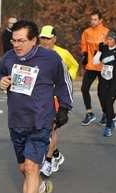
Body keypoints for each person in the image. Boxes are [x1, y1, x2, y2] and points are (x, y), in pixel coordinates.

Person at [0, 20, 73, 193]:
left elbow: (65, 83)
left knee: (31, 167)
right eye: (14, 40)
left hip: (41, 121)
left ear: (34, 40)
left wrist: (64, 108)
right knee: (23, 169)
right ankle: (42, 188)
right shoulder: (9, 57)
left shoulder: (50, 58)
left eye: (21, 41)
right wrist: (1, 82)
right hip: (17, 120)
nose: (16, 45)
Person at [39, 25, 78, 176]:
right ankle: (56, 155)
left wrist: (67, 78)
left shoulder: (62, 53)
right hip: (40, 96)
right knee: (40, 129)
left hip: (55, 96)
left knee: (50, 128)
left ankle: (48, 161)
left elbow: (74, 65)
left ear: (54, 38)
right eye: (43, 38)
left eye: (48, 38)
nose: (45, 41)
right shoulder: (36, 51)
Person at [93, 29, 116, 137]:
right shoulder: (104, 49)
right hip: (104, 78)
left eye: (111, 39)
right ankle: (112, 115)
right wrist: (99, 51)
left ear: (115, 40)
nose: (108, 41)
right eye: (107, 39)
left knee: (108, 102)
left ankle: (108, 127)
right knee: (102, 98)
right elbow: (95, 62)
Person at [80, 10, 109, 125]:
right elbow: (84, 45)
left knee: (101, 93)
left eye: (95, 19)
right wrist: (85, 54)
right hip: (91, 65)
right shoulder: (86, 32)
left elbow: (111, 47)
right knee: (84, 88)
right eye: (91, 19)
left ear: (100, 20)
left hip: (102, 66)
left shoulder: (106, 32)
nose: (92, 21)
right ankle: (89, 113)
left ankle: (106, 114)